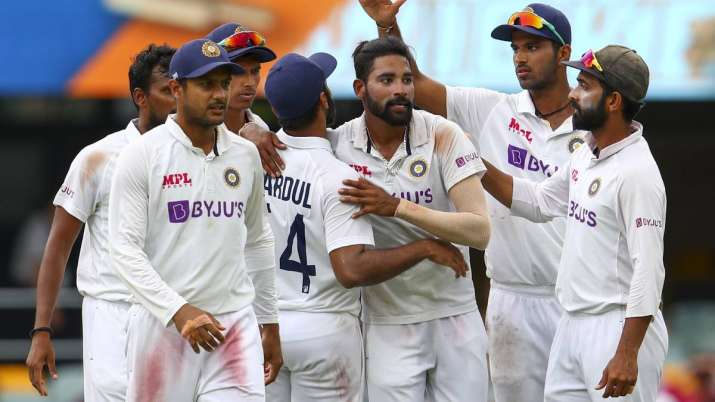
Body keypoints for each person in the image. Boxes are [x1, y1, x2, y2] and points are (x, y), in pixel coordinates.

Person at [357, 2, 585, 399]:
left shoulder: (594, 121)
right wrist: (388, 27)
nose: (520, 58)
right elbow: (419, 86)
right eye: (515, 49)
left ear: (563, 53)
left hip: (579, 299)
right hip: (513, 299)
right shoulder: (493, 109)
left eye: (532, 47)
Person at [262, 51, 472, 402]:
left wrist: (253, 129)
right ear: (324, 101)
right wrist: (423, 247)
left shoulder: (259, 161)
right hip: (324, 328)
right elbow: (352, 268)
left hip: (271, 326)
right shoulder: (337, 175)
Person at [481, 45, 668, 401]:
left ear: (613, 101)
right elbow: (538, 201)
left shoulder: (638, 173)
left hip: (615, 327)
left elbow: (649, 271)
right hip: (571, 324)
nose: (572, 93)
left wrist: (627, 352)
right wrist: (472, 162)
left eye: (584, 86)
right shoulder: (587, 152)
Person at [108, 38, 279, 401]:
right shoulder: (141, 155)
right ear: (176, 88)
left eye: (223, 83)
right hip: (163, 327)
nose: (218, 94)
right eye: (206, 84)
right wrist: (179, 311)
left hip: (233, 324)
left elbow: (258, 239)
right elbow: (123, 250)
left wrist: (270, 321)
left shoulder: (245, 155)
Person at [25, 44, 176, 399]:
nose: (177, 99)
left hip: (173, 313)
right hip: (112, 313)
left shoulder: (197, 154)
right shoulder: (97, 157)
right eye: (168, 90)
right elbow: (58, 247)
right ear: (140, 97)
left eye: (181, 89)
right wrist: (41, 331)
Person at [206, 23, 276, 134]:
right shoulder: (193, 131)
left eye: (255, 71)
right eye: (238, 71)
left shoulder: (261, 127)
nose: (250, 82)